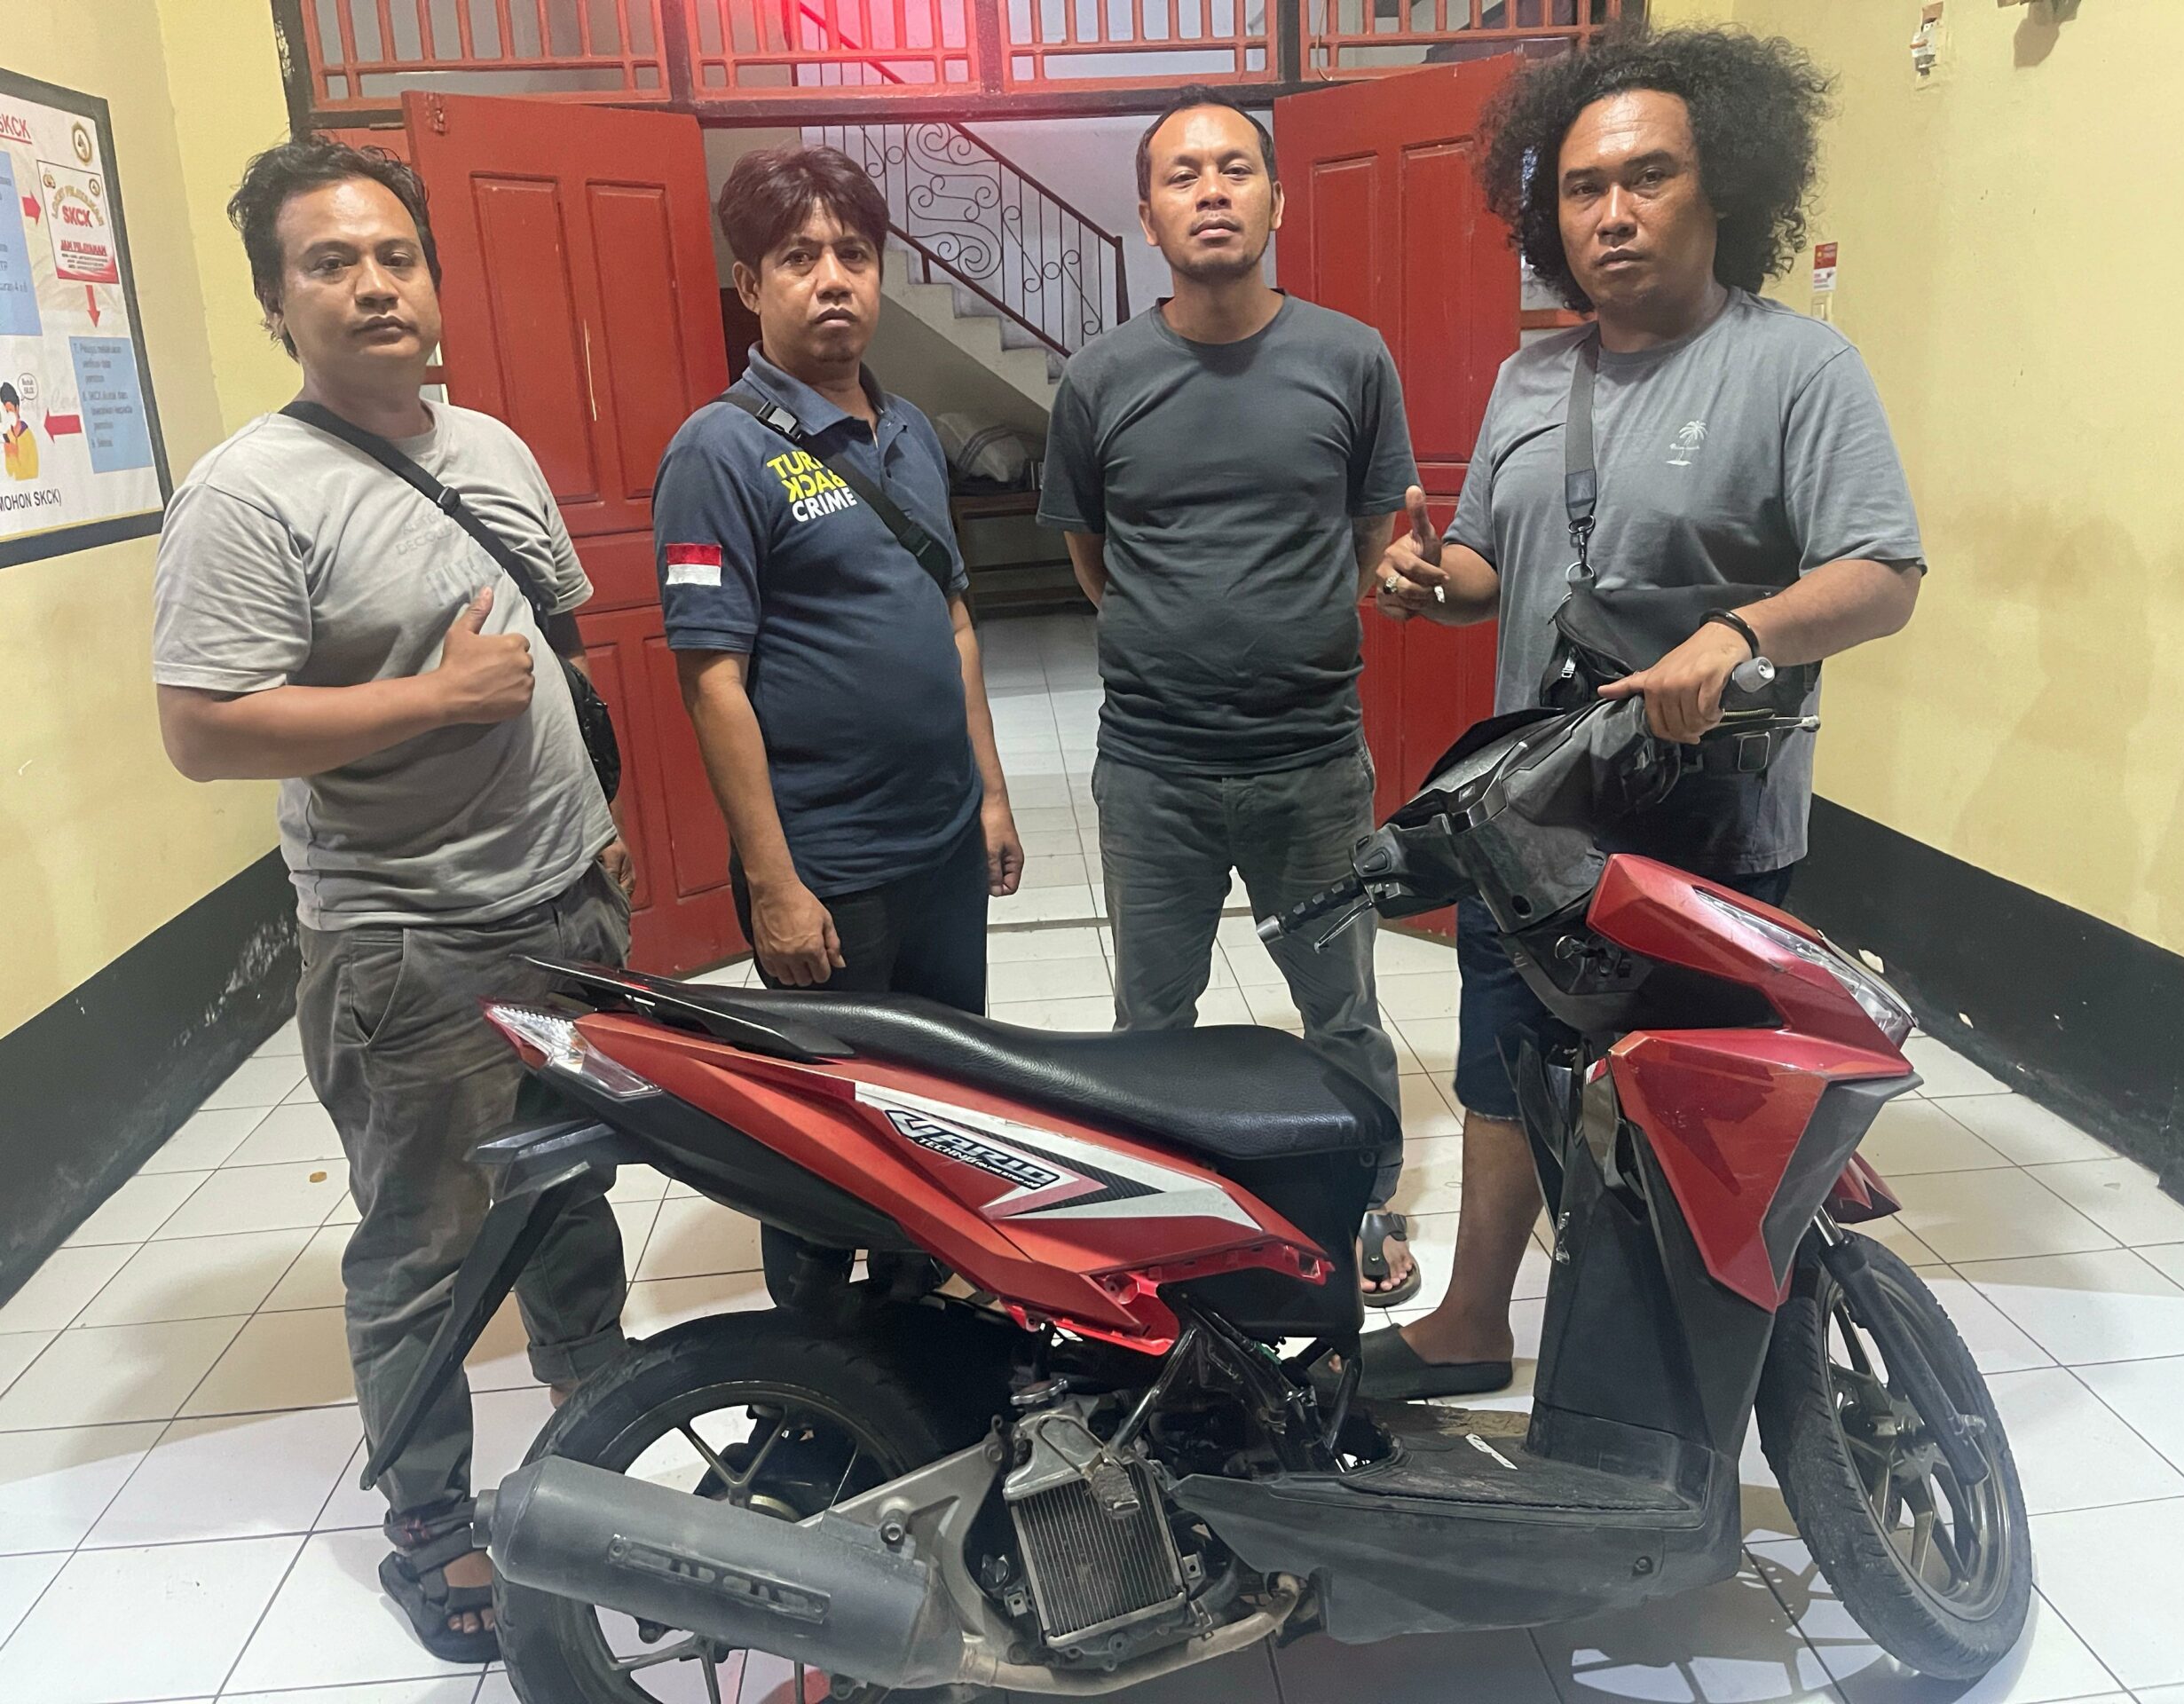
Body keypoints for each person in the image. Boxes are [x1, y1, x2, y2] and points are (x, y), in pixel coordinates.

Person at [1361, 28, 1925, 1399]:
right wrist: (1430, 581)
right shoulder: (1530, 379)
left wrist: (1738, 635)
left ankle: (1692, 1377)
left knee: (1690, 1100)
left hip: (1704, 837)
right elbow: (1492, 566)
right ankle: (1472, 1321)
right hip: (1533, 823)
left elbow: (1883, 573)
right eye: (1581, 188)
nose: (1612, 214)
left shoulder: (1799, 368)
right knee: (1502, 1065)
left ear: (1720, 184)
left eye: (1648, 177)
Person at [152, 138, 635, 1661]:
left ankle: (602, 1447)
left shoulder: (491, 446)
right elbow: (203, 730)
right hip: (411, 946)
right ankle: (432, 1529)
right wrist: (428, 701)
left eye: (394, 256)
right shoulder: (247, 496)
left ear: (431, 277)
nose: (372, 286)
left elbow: (556, 642)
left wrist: (603, 823)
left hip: (570, 909)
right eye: (329, 263)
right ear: (275, 303)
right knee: (427, 1249)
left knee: (574, 1197)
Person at [1038, 89, 1424, 1305]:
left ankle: (1358, 1207)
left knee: (1341, 1009)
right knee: (1153, 1018)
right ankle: (1169, 1223)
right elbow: (1093, 560)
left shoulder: (1350, 358)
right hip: (1154, 770)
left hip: (1312, 766)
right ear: (1147, 214)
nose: (1211, 191)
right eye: (1182, 175)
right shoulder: (1100, 378)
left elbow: (1369, 539)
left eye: (1235, 169)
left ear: (1276, 199)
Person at [653, 146, 1022, 1298]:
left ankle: (918, 1331)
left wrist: (990, 794)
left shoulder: (908, 430)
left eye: (853, 255)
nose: (831, 279)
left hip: (940, 847)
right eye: (798, 257)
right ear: (749, 283)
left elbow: (953, 618)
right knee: (824, 1138)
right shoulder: (718, 449)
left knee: (941, 1109)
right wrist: (774, 885)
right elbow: (712, 681)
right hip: (831, 865)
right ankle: (817, 1362)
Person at [0, 383, 35, 480]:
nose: (9, 415)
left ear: (17, 408)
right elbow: (9, 472)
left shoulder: (26, 436)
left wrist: (13, 450)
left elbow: (30, 474)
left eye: (11, 410)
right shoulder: (7, 436)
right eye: (6, 411)